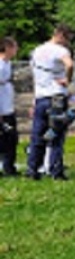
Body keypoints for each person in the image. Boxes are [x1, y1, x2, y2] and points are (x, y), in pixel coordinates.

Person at [26, 24, 75, 180]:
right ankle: (56, 171)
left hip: (41, 98)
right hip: (56, 98)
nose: (68, 43)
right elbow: (69, 64)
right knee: (56, 135)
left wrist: (34, 100)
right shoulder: (61, 50)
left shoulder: (37, 51)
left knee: (38, 136)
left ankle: (33, 169)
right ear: (61, 35)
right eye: (68, 39)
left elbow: (35, 77)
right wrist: (67, 80)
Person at [0, 37, 19, 176]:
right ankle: (7, 167)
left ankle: (9, 166)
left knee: (11, 139)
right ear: (7, 48)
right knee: (5, 138)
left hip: (8, 108)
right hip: (2, 110)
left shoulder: (8, 64)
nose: (16, 50)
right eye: (14, 47)